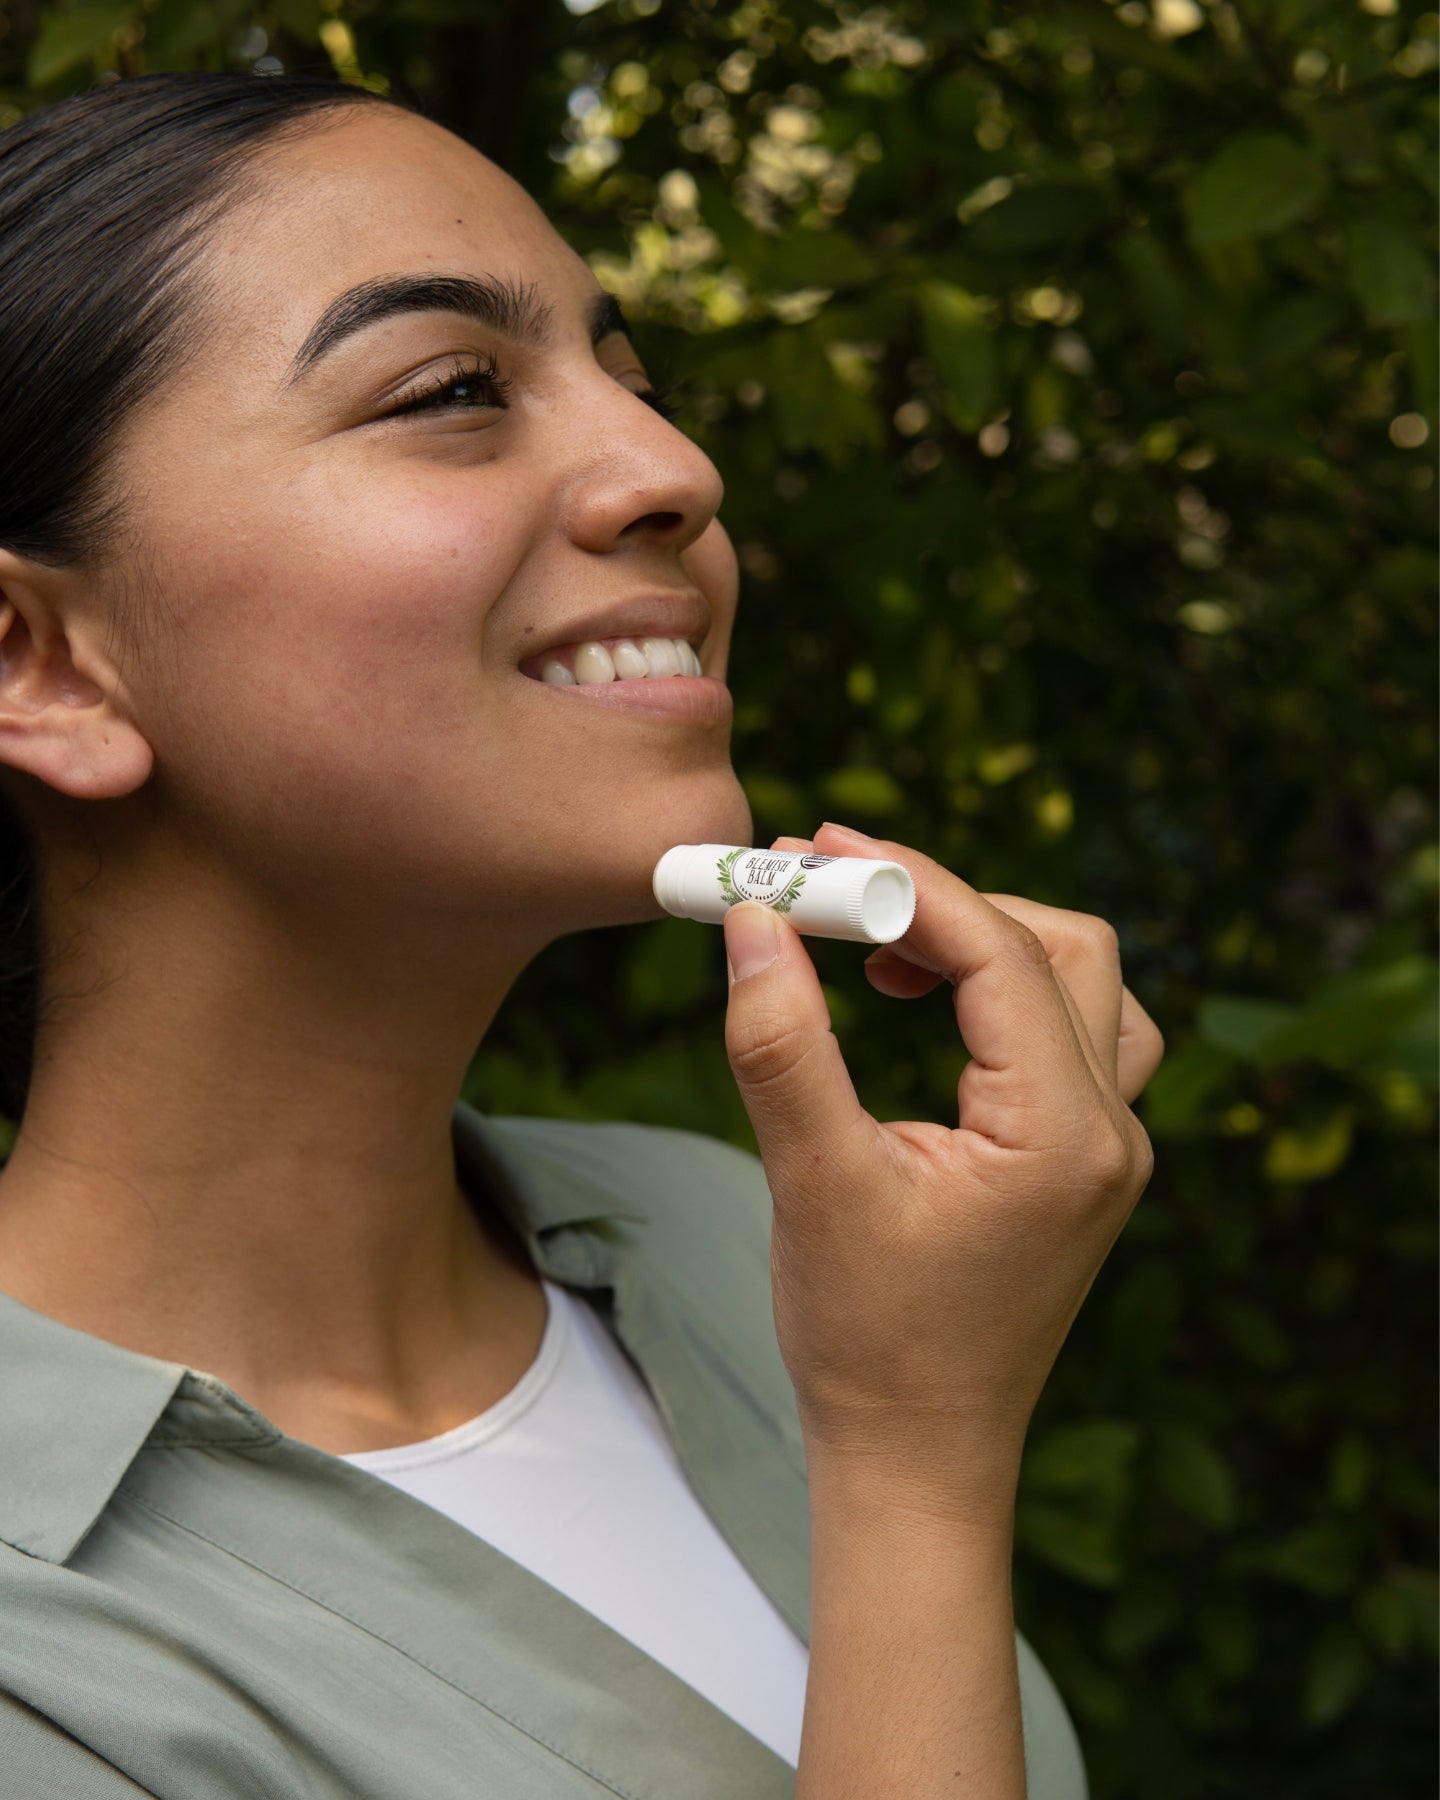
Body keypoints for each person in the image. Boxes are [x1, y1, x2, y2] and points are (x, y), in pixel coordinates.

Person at [0, 72, 1163, 1799]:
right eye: (453, 390)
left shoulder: (754, 1244)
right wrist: (916, 1467)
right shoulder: (42, 1651)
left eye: (631, 375)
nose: (675, 470)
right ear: (42, 663)